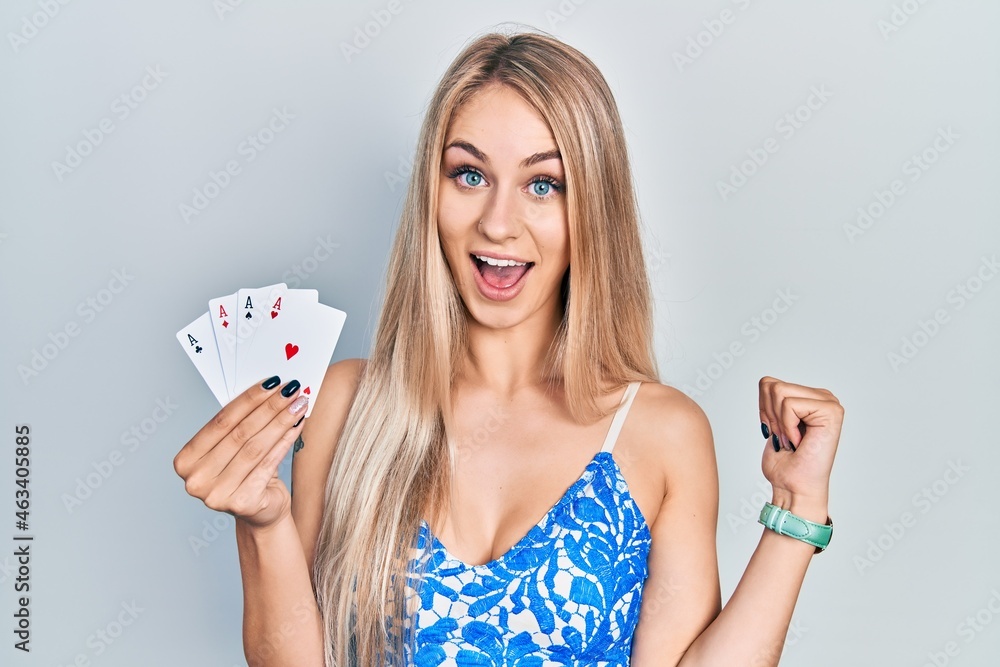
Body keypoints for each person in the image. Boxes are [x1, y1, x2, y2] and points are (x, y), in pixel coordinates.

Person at [173, 29, 844, 667]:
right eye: (469, 175)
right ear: (430, 193)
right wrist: (262, 523)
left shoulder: (660, 432)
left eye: (542, 184)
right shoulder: (345, 405)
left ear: (594, 210)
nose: (498, 222)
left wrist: (798, 505)